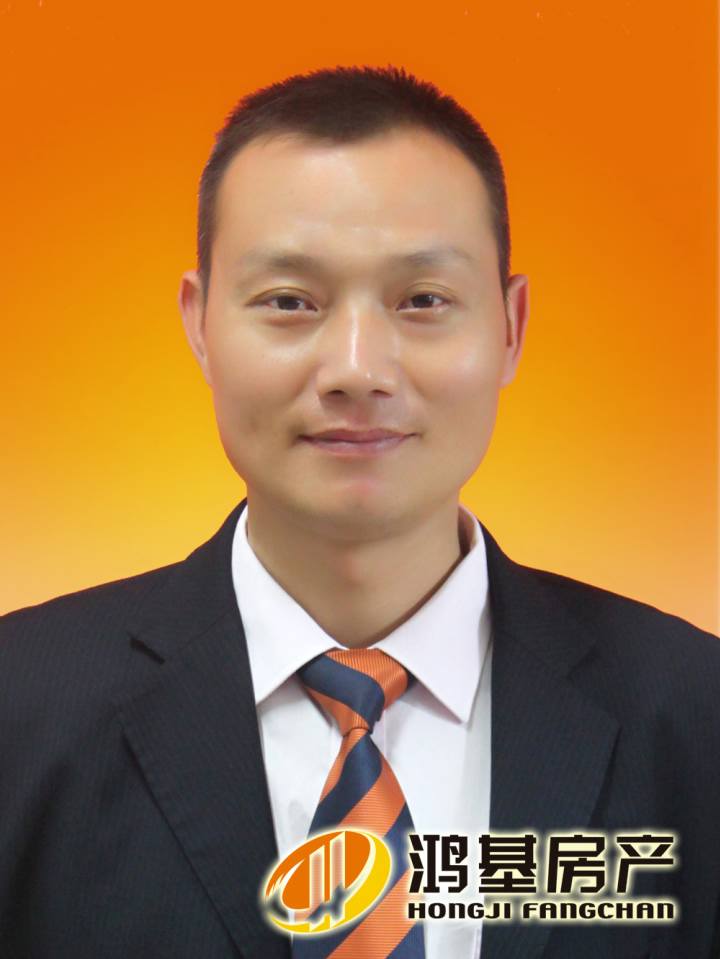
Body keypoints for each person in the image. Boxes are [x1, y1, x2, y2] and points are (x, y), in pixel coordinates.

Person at [1, 65, 718, 959]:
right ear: (198, 323)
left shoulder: (696, 715)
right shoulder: (18, 709)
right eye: (289, 302)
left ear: (511, 327)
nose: (357, 368)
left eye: (423, 301)